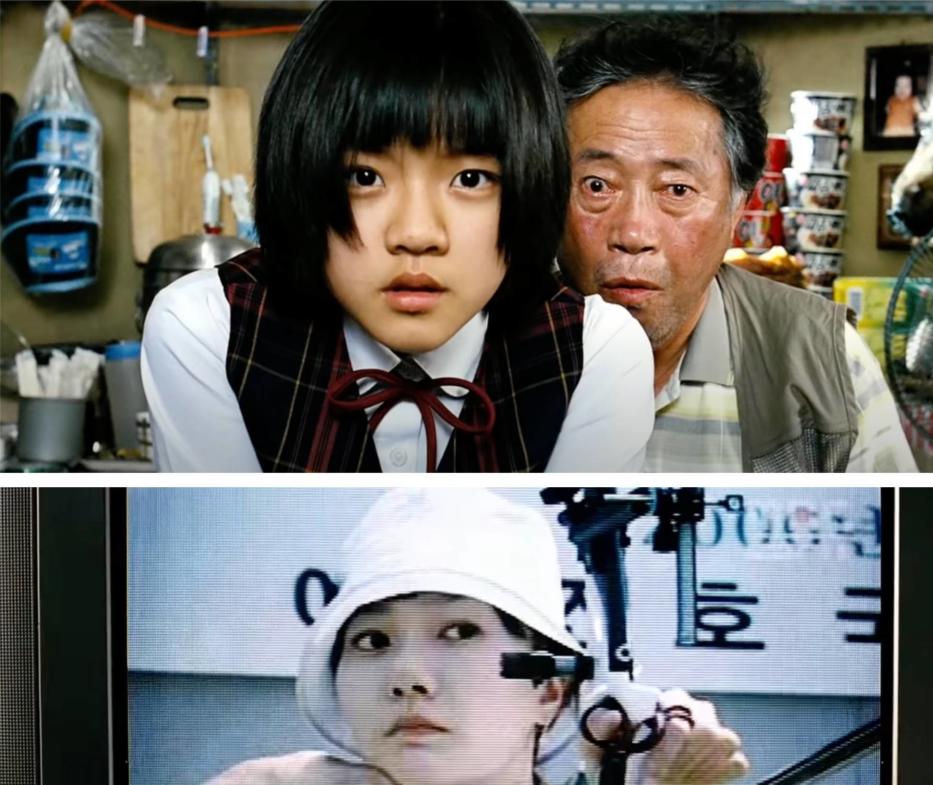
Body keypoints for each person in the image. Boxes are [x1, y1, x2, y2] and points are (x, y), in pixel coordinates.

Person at [165, 489, 750, 785]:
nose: (408, 676)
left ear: (548, 689)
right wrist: (290, 782)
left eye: (460, 632)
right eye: (373, 640)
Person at [141, 1, 653, 473]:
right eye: (365, 177)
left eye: (470, 179)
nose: (417, 235)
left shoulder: (595, 353)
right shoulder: (210, 327)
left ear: (531, 181)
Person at [553, 18, 917, 472]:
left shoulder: (823, 362)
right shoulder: (491, 352)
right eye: (597, 185)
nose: (633, 234)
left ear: (737, 209)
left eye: (677, 190)